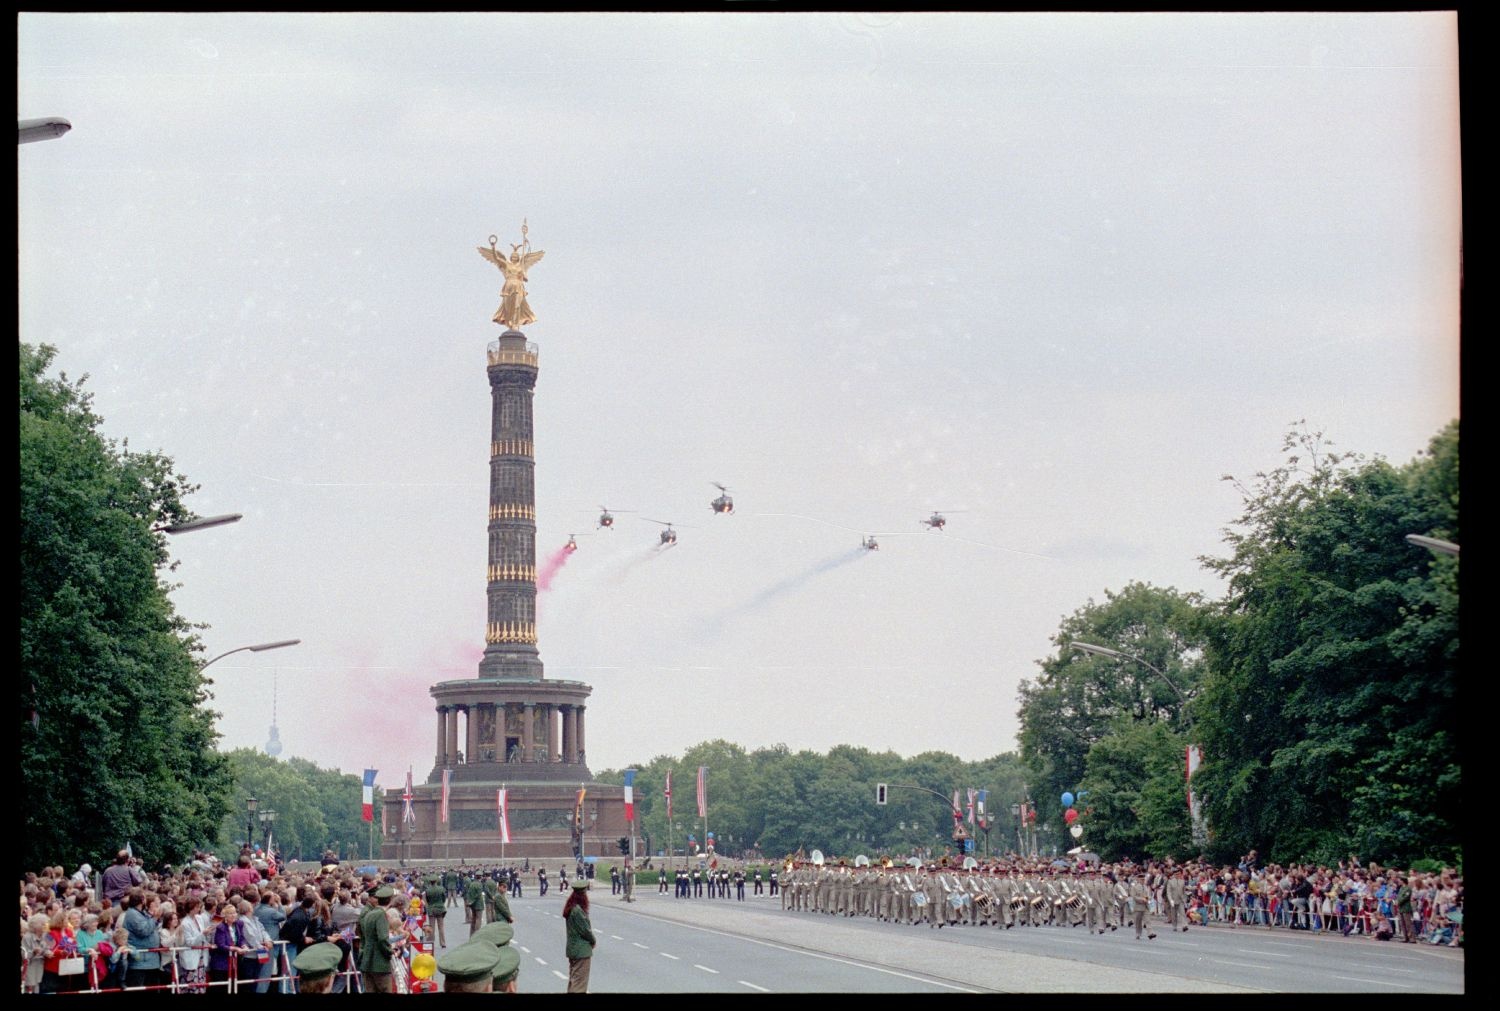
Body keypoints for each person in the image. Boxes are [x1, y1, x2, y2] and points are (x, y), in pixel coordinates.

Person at [356, 885, 397, 993]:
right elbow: (383, 938)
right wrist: (389, 951)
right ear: (390, 900)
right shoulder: (380, 914)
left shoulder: (370, 913)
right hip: (379, 963)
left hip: (367, 960)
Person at [562, 880, 595, 993]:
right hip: (581, 951)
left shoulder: (571, 908)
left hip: (573, 949)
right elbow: (585, 930)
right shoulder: (578, 911)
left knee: (574, 981)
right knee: (579, 985)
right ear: (583, 895)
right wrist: (593, 940)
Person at [424, 874, 448, 949]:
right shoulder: (441, 889)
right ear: (436, 881)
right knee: (441, 927)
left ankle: (431, 942)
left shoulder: (427, 890)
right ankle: (443, 943)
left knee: (431, 927)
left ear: (430, 882)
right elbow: (444, 898)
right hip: (440, 908)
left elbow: (427, 900)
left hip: (431, 909)